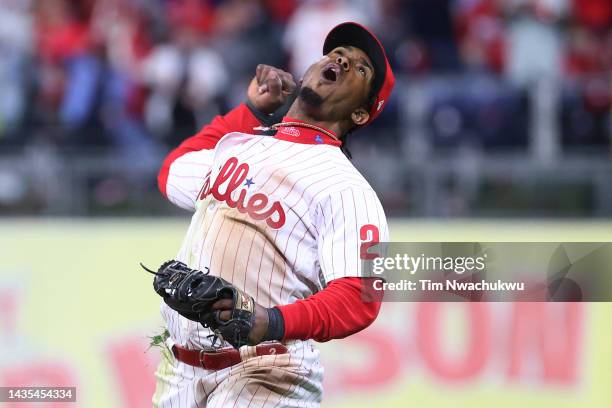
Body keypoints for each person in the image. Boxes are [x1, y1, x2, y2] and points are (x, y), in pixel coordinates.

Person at [153, 22, 395, 408]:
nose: (342, 61)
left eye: (360, 68)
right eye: (337, 54)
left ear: (362, 114)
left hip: (269, 372)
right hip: (181, 371)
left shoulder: (347, 189)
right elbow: (172, 172)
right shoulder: (243, 144)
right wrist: (250, 110)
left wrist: (272, 321)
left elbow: (359, 299)